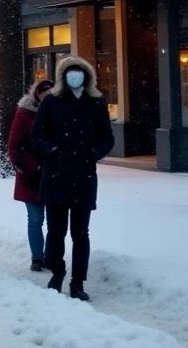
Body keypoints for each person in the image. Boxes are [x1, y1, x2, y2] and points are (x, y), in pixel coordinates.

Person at [32, 56, 114, 301]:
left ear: (87, 77)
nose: (75, 77)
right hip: (56, 176)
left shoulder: (97, 102)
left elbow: (107, 139)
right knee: (56, 231)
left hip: (84, 177)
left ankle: (78, 282)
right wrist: (53, 151)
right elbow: (37, 135)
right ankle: (57, 273)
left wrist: (92, 154)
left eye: (79, 73)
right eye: (70, 73)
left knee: (81, 233)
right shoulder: (52, 102)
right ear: (63, 77)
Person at [9, 79, 56, 271]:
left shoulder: (58, 112)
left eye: (50, 93)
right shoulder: (24, 113)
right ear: (36, 94)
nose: (46, 97)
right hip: (31, 176)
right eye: (43, 93)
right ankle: (38, 257)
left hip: (54, 175)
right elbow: (14, 146)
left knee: (55, 221)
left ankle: (52, 256)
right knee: (36, 219)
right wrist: (34, 166)